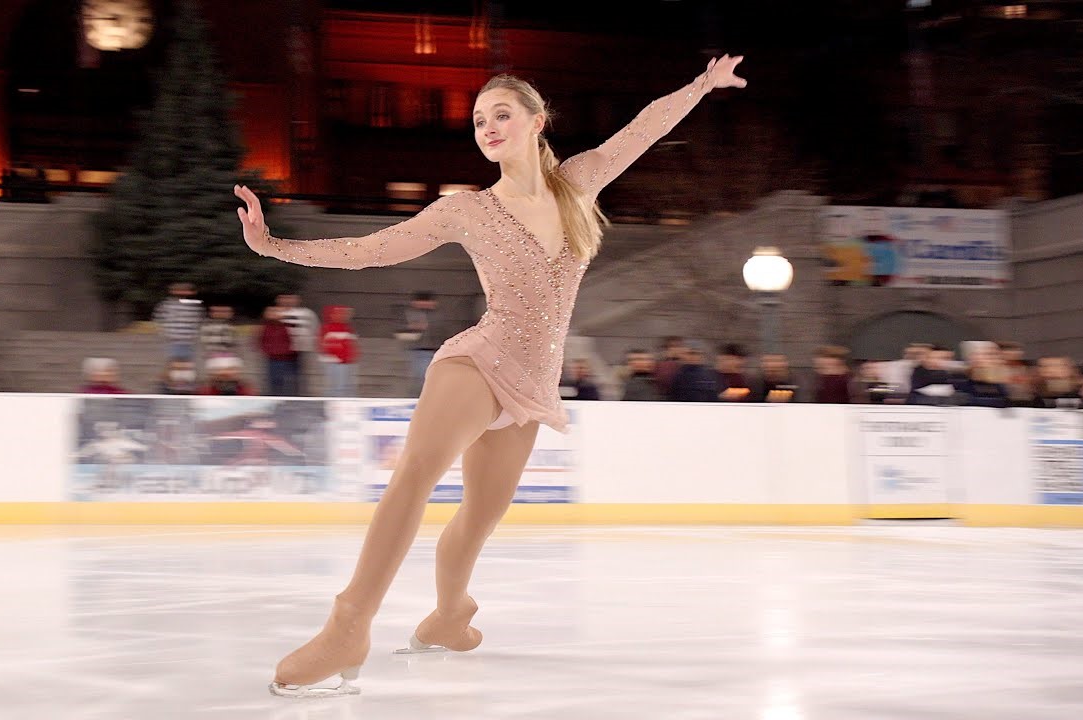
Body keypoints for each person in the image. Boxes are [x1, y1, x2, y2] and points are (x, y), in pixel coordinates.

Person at [236, 54, 747, 697]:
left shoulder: (578, 184)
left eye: (501, 113)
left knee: (479, 518)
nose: (487, 126)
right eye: (479, 120)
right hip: (479, 360)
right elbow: (372, 250)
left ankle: (451, 617)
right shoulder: (467, 210)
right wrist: (275, 245)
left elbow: (642, 130)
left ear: (537, 121)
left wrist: (702, 84)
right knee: (416, 474)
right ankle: (348, 625)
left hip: (534, 388)